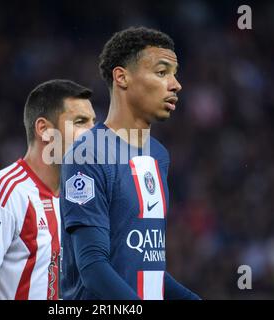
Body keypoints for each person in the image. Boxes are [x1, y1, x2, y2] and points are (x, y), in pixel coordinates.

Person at [60, 27, 200, 300]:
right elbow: (93, 268)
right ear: (122, 77)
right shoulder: (88, 155)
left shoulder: (158, 156)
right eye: (162, 73)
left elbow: (143, 266)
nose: (175, 84)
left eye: (174, 73)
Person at [0, 79, 96, 300]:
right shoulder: (7, 191)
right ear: (44, 129)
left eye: (92, 123)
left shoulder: (80, 198)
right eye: (80, 122)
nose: (93, 133)